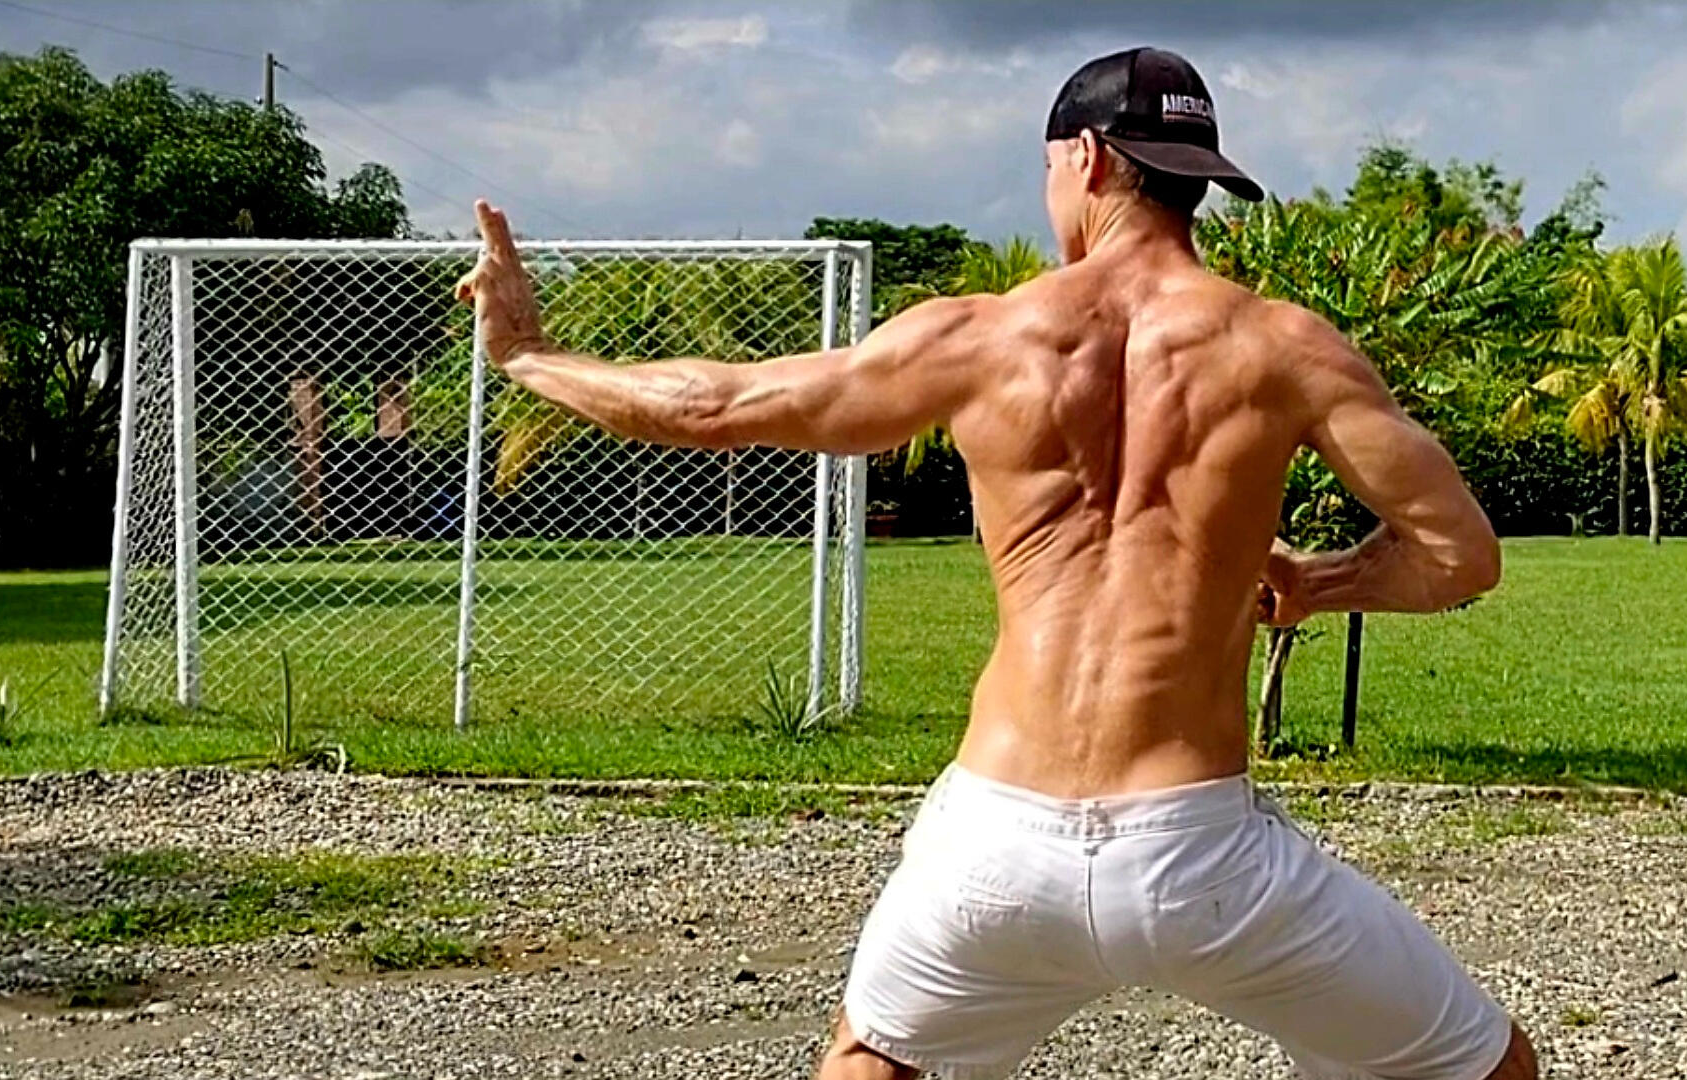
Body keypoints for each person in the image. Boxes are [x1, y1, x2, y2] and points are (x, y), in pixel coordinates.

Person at [455, 44, 1533, 1080]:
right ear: (1194, 181)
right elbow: (1461, 556)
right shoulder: (1285, 348)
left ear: (1086, 159)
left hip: (996, 847)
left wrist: (529, 355)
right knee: (1484, 1064)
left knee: (871, 1058)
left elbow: (714, 407)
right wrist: (1321, 583)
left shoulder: (984, 337)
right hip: (1200, 857)